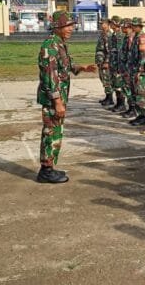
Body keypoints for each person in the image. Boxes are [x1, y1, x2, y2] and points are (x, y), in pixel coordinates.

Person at [36, 11, 96, 184]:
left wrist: (82, 68)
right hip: (53, 99)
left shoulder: (59, 44)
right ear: (58, 27)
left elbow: (66, 65)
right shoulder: (50, 46)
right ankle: (46, 170)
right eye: (68, 26)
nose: (71, 29)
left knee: (56, 133)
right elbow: (50, 76)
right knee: (51, 133)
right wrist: (57, 101)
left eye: (72, 26)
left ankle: (49, 167)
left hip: (59, 97)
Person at [128, 17, 145, 127]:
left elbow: (143, 56)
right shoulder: (135, 37)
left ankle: (144, 116)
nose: (133, 27)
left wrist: (140, 70)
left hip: (140, 71)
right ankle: (139, 115)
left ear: (140, 27)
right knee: (135, 93)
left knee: (141, 93)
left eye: (135, 26)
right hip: (133, 69)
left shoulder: (142, 37)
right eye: (132, 25)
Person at [107, 16, 126, 112]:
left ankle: (121, 104)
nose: (110, 25)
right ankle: (118, 103)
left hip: (118, 65)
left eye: (112, 23)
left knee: (119, 85)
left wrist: (119, 67)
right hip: (113, 64)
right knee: (115, 84)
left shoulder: (120, 35)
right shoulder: (113, 35)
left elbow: (120, 52)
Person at [118, 19, 135, 117]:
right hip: (125, 68)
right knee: (126, 88)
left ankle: (133, 109)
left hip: (129, 68)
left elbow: (131, 55)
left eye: (125, 27)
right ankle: (130, 108)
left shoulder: (131, 38)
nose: (123, 29)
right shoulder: (126, 37)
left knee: (130, 89)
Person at [95, 18, 113, 107]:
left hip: (106, 62)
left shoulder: (109, 35)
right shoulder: (102, 34)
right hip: (101, 62)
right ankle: (107, 96)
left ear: (108, 24)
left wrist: (107, 61)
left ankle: (110, 99)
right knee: (103, 79)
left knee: (107, 80)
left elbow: (110, 51)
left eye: (103, 23)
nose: (101, 25)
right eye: (101, 23)